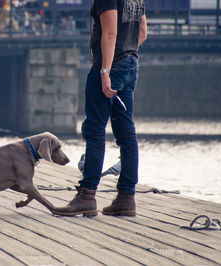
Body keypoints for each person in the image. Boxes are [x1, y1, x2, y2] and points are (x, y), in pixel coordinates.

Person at [52, 0, 147, 217]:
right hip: (131, 64)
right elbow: (142, 32)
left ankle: (87, 196)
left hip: (110, 67)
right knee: (126, 132)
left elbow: (111, 33)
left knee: (94, 130)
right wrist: (125, 58)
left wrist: (106, 71)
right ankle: (126, 198)